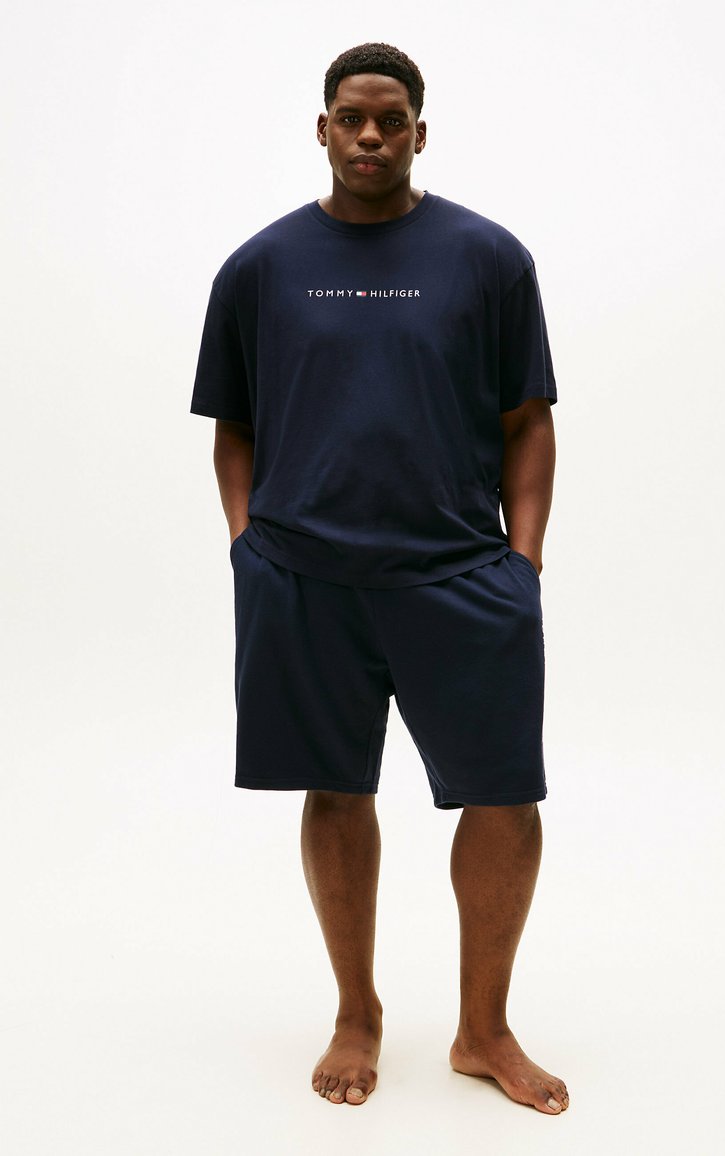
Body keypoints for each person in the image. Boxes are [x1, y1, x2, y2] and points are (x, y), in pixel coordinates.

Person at [190, 42, 569, 1115]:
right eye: (351, 118)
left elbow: (528, 420)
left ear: (418, 132)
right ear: (322, 128)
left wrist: (524, 559)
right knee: (335, 787)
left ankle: (483, 1029)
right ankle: (356, 1013)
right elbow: (234, 426)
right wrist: (246, 544)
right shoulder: (259, 267)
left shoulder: (487, 258)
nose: (369, 135)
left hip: (461, 575)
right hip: (305, 578)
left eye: (389, 119)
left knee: (504, 796)